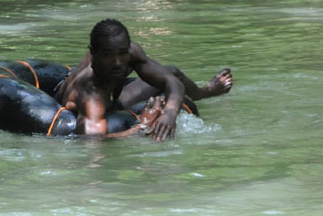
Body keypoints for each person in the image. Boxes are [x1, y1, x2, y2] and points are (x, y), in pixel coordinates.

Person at [56, 19, 232, 140]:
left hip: (113, 97)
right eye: (109, 55)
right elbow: (90, 143)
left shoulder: (130, 53)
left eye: (122, 53)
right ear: (93, 52)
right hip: (95, 103)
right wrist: (143, 125)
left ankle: (205, 91)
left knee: (172, 72)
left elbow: (172, 82)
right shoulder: (91, 95)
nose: (118, 63)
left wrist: (170, 114)